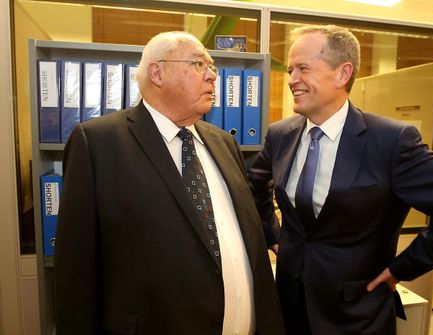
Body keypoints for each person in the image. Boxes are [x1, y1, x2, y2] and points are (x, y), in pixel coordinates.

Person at [248, 24, 433, 335]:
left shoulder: (391, 141)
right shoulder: (281, 134)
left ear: (342, 73)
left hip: (355, 314)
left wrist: (402, 268)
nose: (292, 79)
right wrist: (274, 236)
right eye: (292, 68)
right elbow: (255, 187)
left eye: (303, 68)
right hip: (289, 306)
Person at [54, 31, 285, 335]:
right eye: (199, 64)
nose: (213, 76)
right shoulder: (98, 143)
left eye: (211, 66)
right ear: (157, 72)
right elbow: (75, 269)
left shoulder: (223, 142)